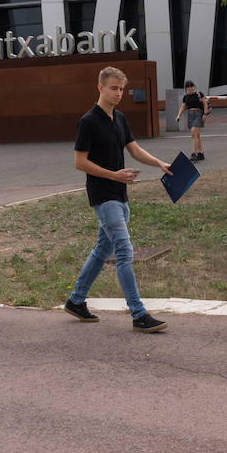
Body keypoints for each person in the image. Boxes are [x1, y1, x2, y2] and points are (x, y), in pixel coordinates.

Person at [64, 66, 172, 332]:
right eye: (113, 88)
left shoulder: (120, 118)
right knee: (124, 250)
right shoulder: (88, 121)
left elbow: (134, 150)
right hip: (103, 195)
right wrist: (113, 175)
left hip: (120, 193)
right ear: (100, 87)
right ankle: (138, 314)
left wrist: (159, 162)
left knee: (103, 249)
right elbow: (80, 162)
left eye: (122, 89)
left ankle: (76, 301)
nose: (118, 93)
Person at [174, 80, 210, 161]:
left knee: (193, 133)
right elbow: (183, 107)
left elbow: (205, 104)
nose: (190, 88)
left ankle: (194, 153)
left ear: (194, 86)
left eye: (191, 86)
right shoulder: (186, 97)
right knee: (197, 135)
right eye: (188, 87)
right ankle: (201, 153)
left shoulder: (199, 94)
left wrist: (205, 114)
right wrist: (178, 115)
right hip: (190, 115)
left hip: (199, 114)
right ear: (186, 88)